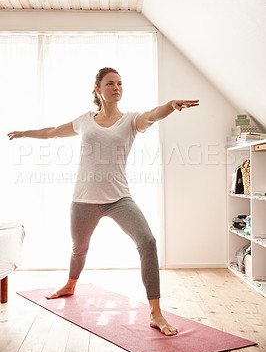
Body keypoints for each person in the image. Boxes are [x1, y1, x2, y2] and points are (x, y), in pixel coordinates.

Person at [8, 67, 199, 336]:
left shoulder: (131, 120)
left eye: (120, 83)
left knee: (147, 241)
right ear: (98, 89)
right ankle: (70, 284)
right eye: (110, 83)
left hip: (119, 198)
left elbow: (152, 115)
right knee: (79, 248)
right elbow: (52, 132)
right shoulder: (85, 120)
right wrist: (25, 132)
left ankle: (155, 312)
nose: (116, 88)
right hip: (84, 199)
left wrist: (169, 105)